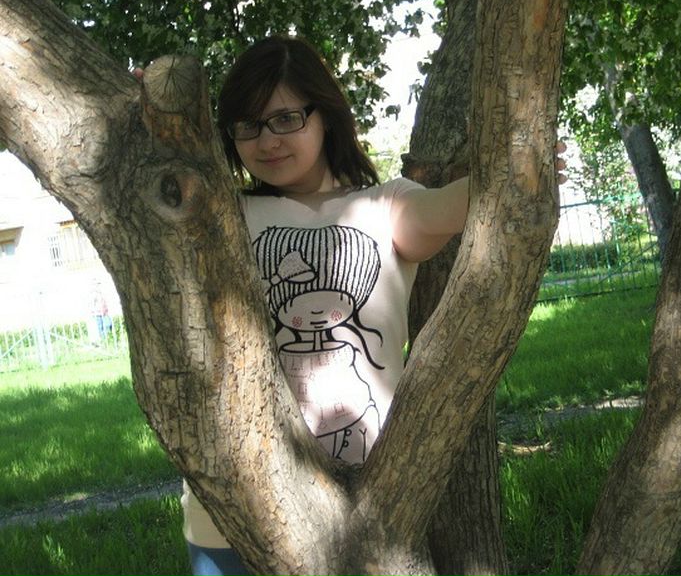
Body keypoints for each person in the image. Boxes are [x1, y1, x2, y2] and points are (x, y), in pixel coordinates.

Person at [165, 35, 565, 576]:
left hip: (362, 508)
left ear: (324, 116)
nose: (267, 141)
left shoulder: (383, 205)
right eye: (248, 125)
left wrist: (519, 169)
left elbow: (452, 205)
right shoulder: (218, 216)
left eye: (285, 119)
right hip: (234, 510)